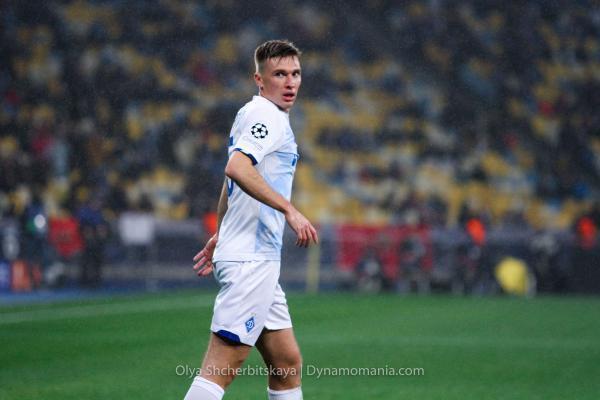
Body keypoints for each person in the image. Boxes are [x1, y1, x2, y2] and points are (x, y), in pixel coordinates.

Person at [183, 40, 318, 400]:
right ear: (259, 79)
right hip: (250, 261)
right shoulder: (266, 116)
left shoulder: (253, 113)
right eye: (279, 74)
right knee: (221, 369)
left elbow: (231, 182)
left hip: (255, 258)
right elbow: (237, 168)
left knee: (286, 364)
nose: (290, 82)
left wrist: (220, 233)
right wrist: (289, 209)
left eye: (295, 73)